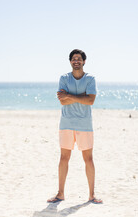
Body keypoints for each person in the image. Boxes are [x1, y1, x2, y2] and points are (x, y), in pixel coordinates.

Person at [47, 49, 102, 204]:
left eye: (79, 58)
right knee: (64, 158)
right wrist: (79, 97)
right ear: (70, 61)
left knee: (88, 159)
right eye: (73, 59)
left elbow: (90, 101)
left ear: (84, 61)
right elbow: (62, 101)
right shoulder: (64, 78)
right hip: (66, 123)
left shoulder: (90, 78)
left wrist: (69, 95)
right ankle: (60, 194)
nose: (76, 61)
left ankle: (91, 195)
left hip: (84, 124)